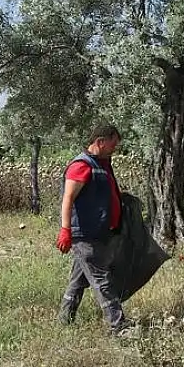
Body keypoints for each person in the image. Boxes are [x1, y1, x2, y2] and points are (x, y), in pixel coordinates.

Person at [56, 124, 134, 336]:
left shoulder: (102, 164)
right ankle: (118, 326)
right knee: (102, 279)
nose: (115, 148)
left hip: (99, 232)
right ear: (100, 141)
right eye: (113, 144)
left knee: (78, 280)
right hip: (85, 234)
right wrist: (65, 230)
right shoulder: (81, 165)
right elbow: (68, 199)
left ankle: (64, 321)